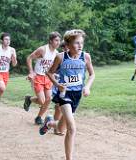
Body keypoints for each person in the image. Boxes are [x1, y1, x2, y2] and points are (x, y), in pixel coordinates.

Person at [40, 29, 95, 160]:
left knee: (60, 128)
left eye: (81, 43)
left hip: (77, 95)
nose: (80, 46)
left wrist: (87, 87)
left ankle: (49, 123)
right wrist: (57, 84)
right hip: (64, 94)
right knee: (72, 129)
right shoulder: (61, 57)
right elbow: (49, 72)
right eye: (76, 43)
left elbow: (92, 74)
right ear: (68, 45)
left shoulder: (86, 57)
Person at [23, 32, 61, 125]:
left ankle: (39, 117)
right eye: (56, 40)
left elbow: (50, 67)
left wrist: (54, 74)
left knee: (48, 98)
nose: (58, 42)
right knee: (42, 101)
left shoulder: (56, 53)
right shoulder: (43, 50)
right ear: (50, 41)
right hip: (38, 77)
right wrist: (31, 72)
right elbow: (29, 58)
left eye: (59, 40)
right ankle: (30, 99)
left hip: (47, 78)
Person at [52, 41, 69, 135]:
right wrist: (56, 77)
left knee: (66, 106)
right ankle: (56, 126)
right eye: (65, 48)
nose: (68, 49)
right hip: (59, 85)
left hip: (70, 86)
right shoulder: (59, 57)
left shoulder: (74, 57)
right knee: (58, 107)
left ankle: (59, 124)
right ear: (63, 48)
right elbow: (50, 71)